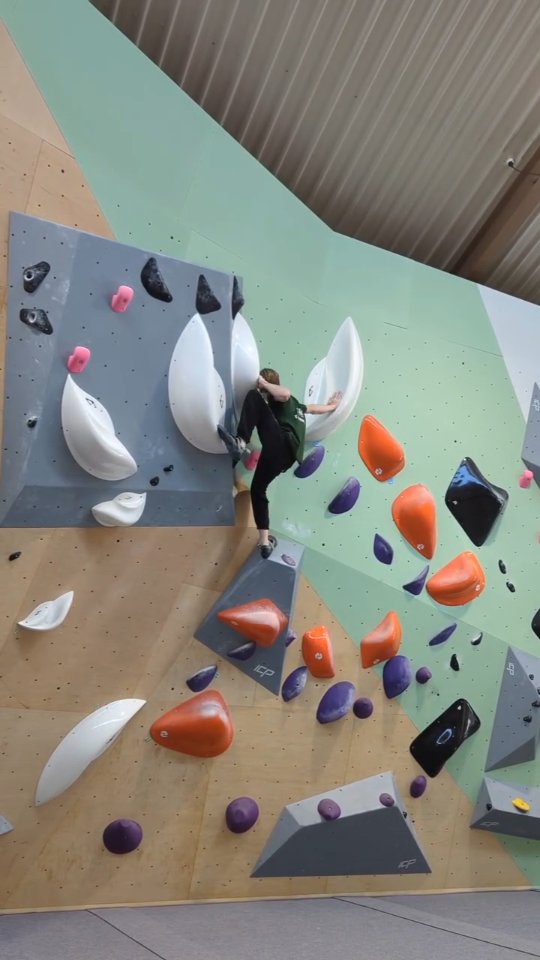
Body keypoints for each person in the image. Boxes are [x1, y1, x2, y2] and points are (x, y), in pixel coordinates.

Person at [218, 368, 342, 558]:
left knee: (252, 397)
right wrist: (332, 407)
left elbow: (284, 393)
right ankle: (264, 542)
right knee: (258, 490)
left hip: (282, 442)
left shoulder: (280, 399)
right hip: (284, 458)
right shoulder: (298, 407)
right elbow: (314, 409)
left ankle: (240, 442)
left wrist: (263, 385)